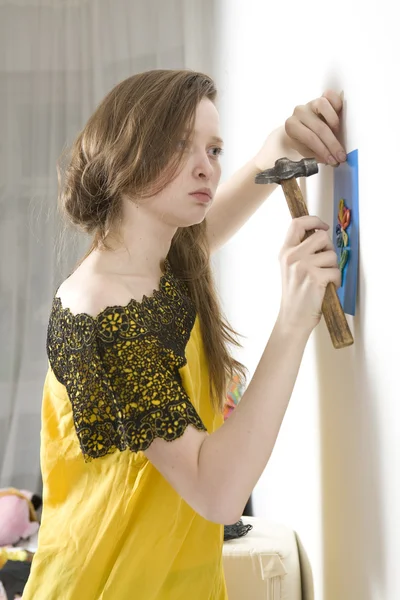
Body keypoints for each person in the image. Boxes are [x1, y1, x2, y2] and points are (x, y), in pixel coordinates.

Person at [22, 69, 345, 599]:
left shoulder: (157, 265)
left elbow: (211, 223)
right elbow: (218, 492)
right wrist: (292, 317)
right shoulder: (102, 314)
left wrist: (279, 146)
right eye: (179, 145)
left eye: (214, 150)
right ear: (127, 152)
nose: (206, 168)